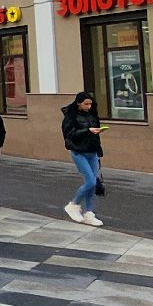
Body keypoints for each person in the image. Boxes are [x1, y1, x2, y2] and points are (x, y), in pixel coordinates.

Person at [61, 92, 106, 226]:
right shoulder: (71, 116)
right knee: (90, 182)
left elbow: (96, 135)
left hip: (93, 152)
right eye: (86, 104)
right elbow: (69, 134)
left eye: (90, 104)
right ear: (78, 103)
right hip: (79, 152)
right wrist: (88, 130)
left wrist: (98, 149)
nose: (89, 106)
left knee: (92, 184)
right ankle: (73, 204)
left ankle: (89, 213)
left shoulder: (92, 115)